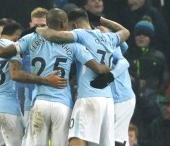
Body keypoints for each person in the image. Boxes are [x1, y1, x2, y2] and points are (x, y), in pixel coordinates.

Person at [0, 9, 111, 146]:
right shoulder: (74, 44)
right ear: (64, 23)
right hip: (63, 105)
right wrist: (111, 70)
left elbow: (2, 52)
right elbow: (98, 68)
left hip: (40, 103)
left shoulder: (30, 38)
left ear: (47, 22)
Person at [36, 8, 130, 145]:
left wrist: (39, 30)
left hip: (88, 97)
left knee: (76, 137)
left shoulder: (80, 34)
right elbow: (125, 32)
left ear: (74, 26)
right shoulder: (109, 37)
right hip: (107, 100)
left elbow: (53, 36)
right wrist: (100, 19)